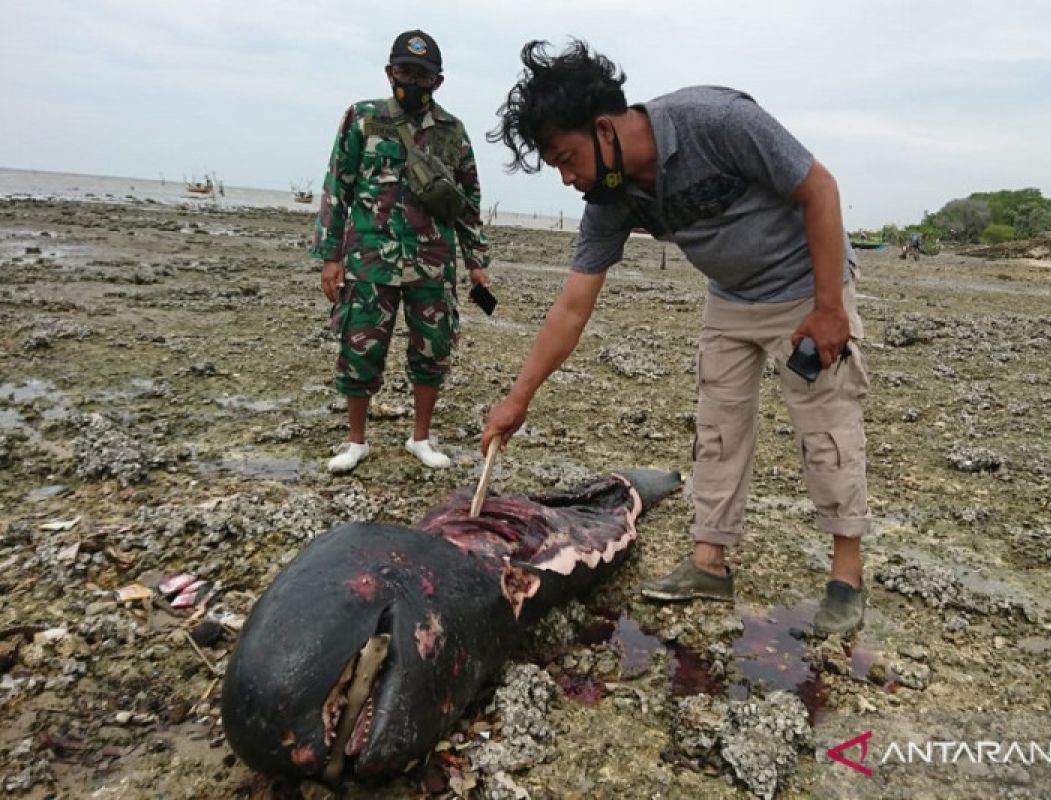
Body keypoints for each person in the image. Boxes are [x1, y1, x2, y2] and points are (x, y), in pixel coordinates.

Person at [481, 40, 872, 635]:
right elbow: (572, 306)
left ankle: (846, 577)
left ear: (605, 127)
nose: (566, 179)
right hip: (731, 299)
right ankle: (708, 564)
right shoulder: (608, 200)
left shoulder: (714, 120)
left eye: (566, 158)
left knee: (827, 432)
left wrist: (828, 307)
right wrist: (519, 398)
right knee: (716, 431)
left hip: (805, 288)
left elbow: (819, 188)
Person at [311, 29, 490, 473]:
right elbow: (339, 188)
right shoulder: (363, 118)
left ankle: (421, 438)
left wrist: (477, 263)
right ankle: (356, 442)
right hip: (370, 258)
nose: (412, 80)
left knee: (432, 350)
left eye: (422, 74)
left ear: (438, 81)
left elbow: (468, 201)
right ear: (390, 71)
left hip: (432, 261)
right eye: (405, 71)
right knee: (359, 348)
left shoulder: (452, 132)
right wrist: (330, 258)